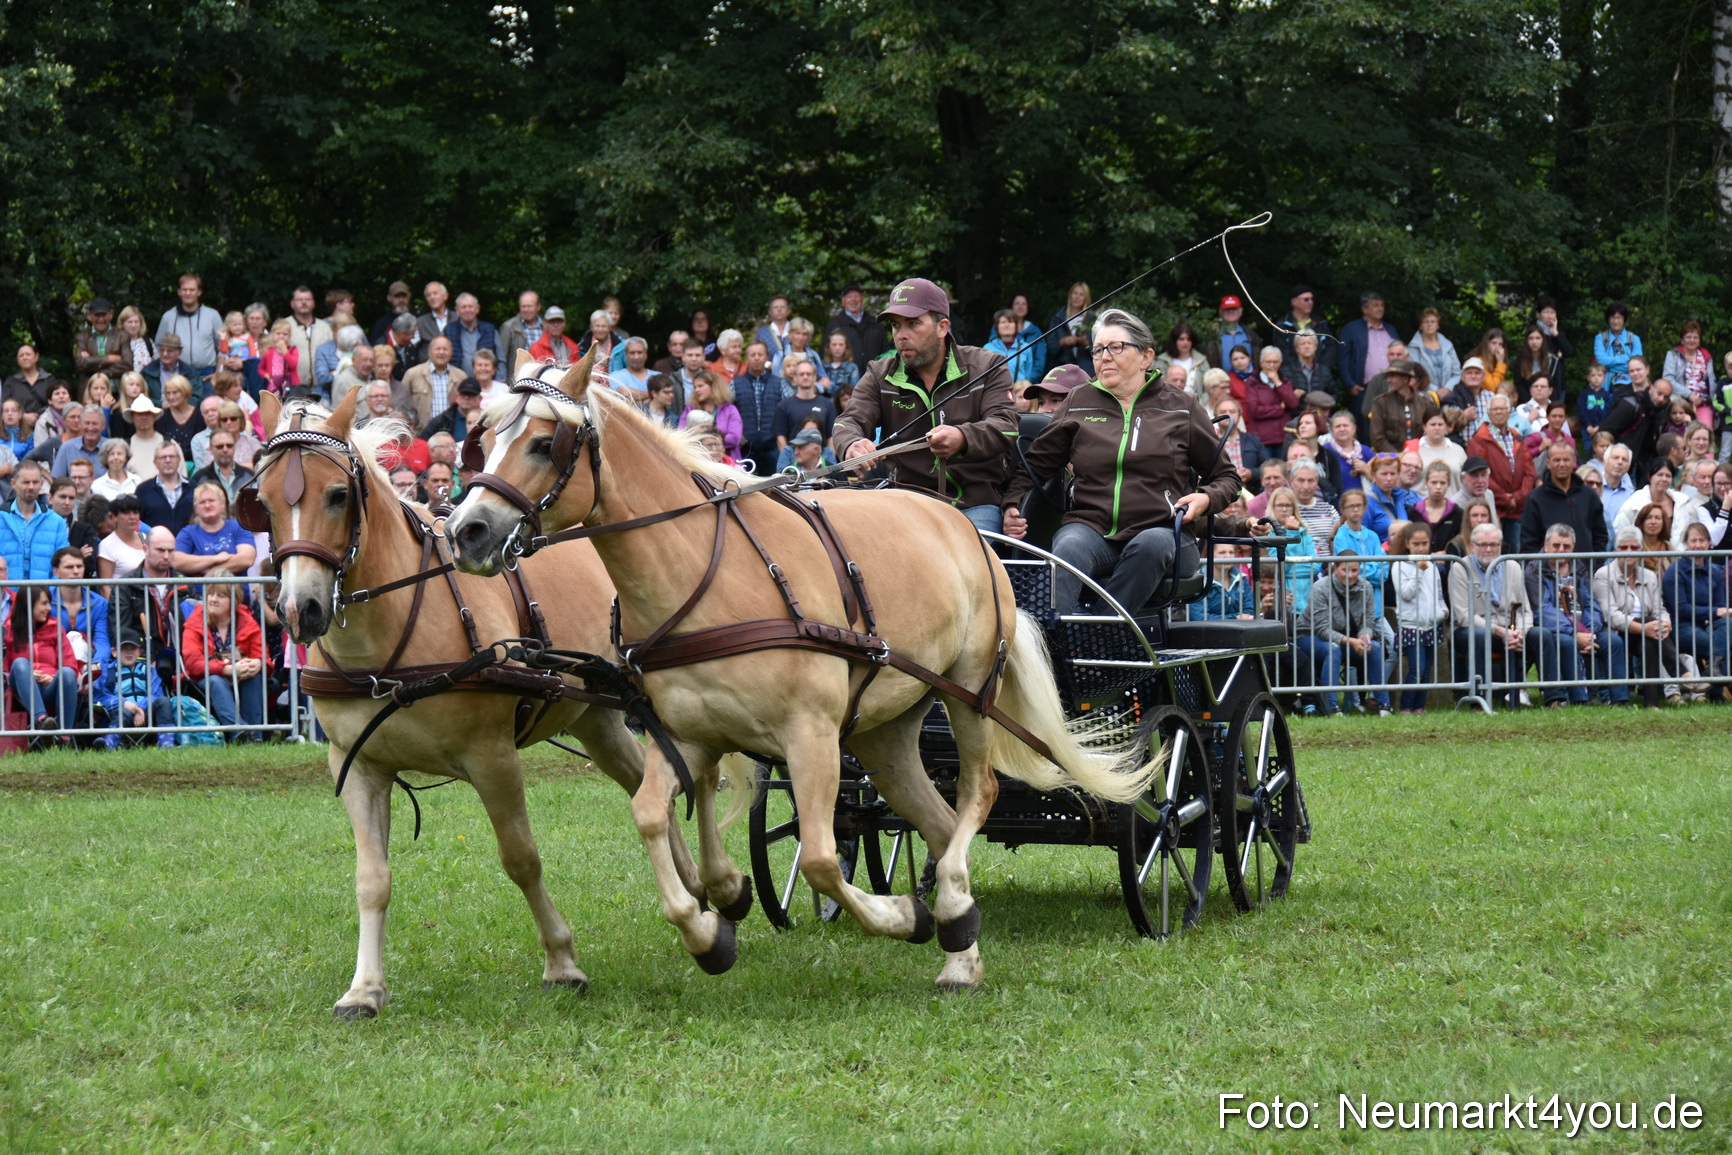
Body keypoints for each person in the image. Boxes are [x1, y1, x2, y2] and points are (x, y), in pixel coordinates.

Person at [1002, 306, 1244, 609]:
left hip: (1167, 532)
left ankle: (1103, 635)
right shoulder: (1078, 402)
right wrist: (1012, 503)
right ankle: (1052, 646)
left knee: (1151, 544)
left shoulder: (1181, 406)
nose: (1105, 356)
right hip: (1091, 529)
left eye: (1116, 347)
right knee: (1068, 546)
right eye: (1098, 349)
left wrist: (1205, 499)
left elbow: (1228, 479)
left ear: (1146, 357)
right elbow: (1035, 466)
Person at [1449, 523, 1560, 708]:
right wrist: (1499, 631)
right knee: (1479, 635)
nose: (1489, 549)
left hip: (1509, 629)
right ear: (1473, 545)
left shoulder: (1513, 566)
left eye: (1494, 544)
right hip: (1472, 629)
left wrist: (1520, 633)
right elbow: (1464, 615)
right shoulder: (1461, 568)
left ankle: (1554, 698)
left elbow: (1525, 609)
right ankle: (1480, 700)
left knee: (1542, 635)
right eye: (1483, 544)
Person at [1525, 523, 1630, 706]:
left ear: (1573, 547)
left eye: (1566, 546)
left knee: (1613, 642)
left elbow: (1591, 604)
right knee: (1566, 642)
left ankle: (1619, 699)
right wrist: (1574, 633)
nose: (1561, 551)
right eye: (1556, 546)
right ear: (1546, 545)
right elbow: (1542, 609)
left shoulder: (1579, 567)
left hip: (1585, 628)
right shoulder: (1534, 570)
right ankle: (1580, 698)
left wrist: (1590, 632)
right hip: (1557, 629)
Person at [1595, 527, 1683, 708]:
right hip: (1618, 634)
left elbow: (1660, 609)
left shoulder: (1649, 576)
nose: (1629, 552)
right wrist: (1645, 628)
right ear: (1616, 550)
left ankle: (1652, 704)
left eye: (1634, 548)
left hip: (1648, 634)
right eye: (1624, 547)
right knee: (1650, 627)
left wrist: (1665, 623)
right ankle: (1681, 671)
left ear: (1641, 551)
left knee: (1650, 641)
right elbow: (1610, 615)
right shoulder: (1603, 575)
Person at [1295, 553, 1391, 717]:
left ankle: (1384, 706)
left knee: (1374, 647)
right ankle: (1332, 708)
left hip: (1346, 638)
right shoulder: (1320, 588)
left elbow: (1368, 622)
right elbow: (1322, 629)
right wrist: (1352, 641)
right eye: (1345, 570)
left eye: (1355, 570)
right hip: (1310, 636)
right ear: (1335, 569)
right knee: (1332, 650)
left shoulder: (1366, 587)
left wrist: (1364, 638)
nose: (1351, 575)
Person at [181, 570, 267, 741]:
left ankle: (255, 737)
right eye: (210, 594)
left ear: (233, 600)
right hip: (205, 677)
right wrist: (228, 669)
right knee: (216, 681)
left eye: (220, 595)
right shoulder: (195, 621)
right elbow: (193, 664)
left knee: (255, 676)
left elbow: (262, 654)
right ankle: (240, 732)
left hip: (240, 674)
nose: (213, 599)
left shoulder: (246, 620)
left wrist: (258, 663)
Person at [7, 584, 82, 736]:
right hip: (21, 689)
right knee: (20, 663)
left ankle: (64, 737)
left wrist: (52, 678)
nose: (49, 608)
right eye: (44, 603)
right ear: (28, 605)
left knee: (67, 673)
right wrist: (28, 674)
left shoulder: (55, 628)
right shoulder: (8, 630)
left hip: (50, 689)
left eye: (49, 603)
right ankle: (42, 721)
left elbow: (70, 664)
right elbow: (4, 670)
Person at [1660, 521, 1730, 681]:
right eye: (1694, 541)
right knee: (1717, 644)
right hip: (1682, 625)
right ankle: (1717, 691)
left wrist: (1716, 613)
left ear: (1709, 543)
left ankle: (1712, 672)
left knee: (1728, 626)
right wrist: (1714, 612)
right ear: (1686, 543)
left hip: (1708, 623)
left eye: (1702, 540)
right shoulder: (1675, 571)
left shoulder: (1714, 571)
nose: (1698, 545)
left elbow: (1720, 606)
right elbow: (1681, 608)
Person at [1466, 394, 1535, 549]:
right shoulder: (1479, 440)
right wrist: (1505, 499)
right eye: (1495, 409)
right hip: (1492, 509)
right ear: (1488, 413)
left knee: (1514, 557)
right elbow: (1481, 476)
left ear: (1510, 412)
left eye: (1502, 409)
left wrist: (1517, 498)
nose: (1499, 412)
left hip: (1517, 510)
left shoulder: (1517, 437)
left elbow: (1529, 471)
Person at [1392, 524, 1447, 713]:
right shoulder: (1399, 565)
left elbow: (1439, 594)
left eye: (1424, 543)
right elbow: (1406, 594)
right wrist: (1419, 571)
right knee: (1416, 670)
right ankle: (1406, 706)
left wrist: (1443, 610)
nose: (1421, 548)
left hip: (1431, 625)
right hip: (1411, 625)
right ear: (1407, 544)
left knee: (1425, 671)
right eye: (1416, 544)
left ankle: (1419, 706)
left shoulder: (1433, 567)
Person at [1517, 441, 1606, 556]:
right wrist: (1539, 568)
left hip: (1585, 571)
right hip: (1546, 572)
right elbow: (1528, 540)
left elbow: (1600, 535)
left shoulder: (1589, 495)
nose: (1562, 464)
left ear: (1574, 461)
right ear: (1548, 463)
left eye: (1566, 460)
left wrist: (1594, 564)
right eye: (1556, 460)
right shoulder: (1535, 498)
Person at [48, 544, 110, 685]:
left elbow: (102, 640)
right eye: (69, 567)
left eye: (79, 566)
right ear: (56, 571)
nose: (76, 572)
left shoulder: (100, 603)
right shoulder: (45, 599)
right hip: (53, 662)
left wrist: (95, 666)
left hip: (89, 661)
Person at [0, 460, 69, 581]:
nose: (31, 487)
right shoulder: (1, 518)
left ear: (42, 484)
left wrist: (49, 595)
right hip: (7, 597)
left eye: (35, 482)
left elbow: (63, 563)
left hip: (46, 597)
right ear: (13, 483)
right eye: (26, 482)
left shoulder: (57, 522)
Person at [172, 483, 258, 580]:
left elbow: (246, 559)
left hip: (237, 594)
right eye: (202, 502)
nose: (207, 505)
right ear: (196, 508)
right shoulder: (188, 533)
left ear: (222, 503)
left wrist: (208, 570)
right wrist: (216, 558)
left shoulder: (238, 527)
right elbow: (177, 561)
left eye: (211, 501)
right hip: (201, 594)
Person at [155, 273, 224, 382]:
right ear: (179, 292)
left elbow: (223, 347)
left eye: (192, 290)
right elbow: (158, 348)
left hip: (206, 375)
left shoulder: (212, 316)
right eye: (184, 290)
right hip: (176, 375)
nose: (188, 293)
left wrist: (218, 373)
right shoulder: (168, 317)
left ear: (199, 292)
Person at [1262, 486, 1318, 615]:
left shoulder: (1304, 533)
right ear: (1272, 507)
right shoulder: (1267, 535)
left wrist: (1290, 569)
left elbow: (1314, 566)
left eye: (1288, 505)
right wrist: (1291, 534)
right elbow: (1281, 567)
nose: (1284, 509)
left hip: (1306, 602)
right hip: (1282, 603)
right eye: (1280, 505)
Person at [1367, 360, 1439, 452]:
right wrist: (1399, 457)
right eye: (1388, 376)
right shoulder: (1381, 403)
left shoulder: (1425, 403)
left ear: (1405, 379)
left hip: (1421, 456)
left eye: (1392, 376)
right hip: (1390, 459)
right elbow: (1377, 438)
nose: (1388, 380)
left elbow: (1431, 432)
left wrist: (1418, 455)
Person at [400, 335, 466, 432]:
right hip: (421, 433)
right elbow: (402, 405)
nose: (441, 352)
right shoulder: (413, 374)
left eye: (445, 349)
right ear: (429, 351)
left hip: (451, 434)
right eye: (438, 349)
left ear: (451, 352)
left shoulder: (460, 376)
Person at [772, 361, 835, 454]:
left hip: (822, 464)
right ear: (795, 378)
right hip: (793, 464)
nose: (805, 377)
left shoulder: (827, 404)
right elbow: (780, 438)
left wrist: (828, 461)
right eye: (801, 374)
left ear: (815, 377)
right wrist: (791, 463)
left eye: (808, 374)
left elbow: (832, 437)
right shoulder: (784, 405)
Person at [136, 443, 193, 536]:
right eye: (163, 457)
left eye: (172, 457)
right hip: (154, 547)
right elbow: (137, 523)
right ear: (155, 463)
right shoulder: (143, 490)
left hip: (188, 548)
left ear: (179, 460)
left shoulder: (194, 488)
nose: (168, 460)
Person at [1269, 284, 1335, 362]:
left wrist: (1322, 370)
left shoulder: (1321, 323)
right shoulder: (1282, 325)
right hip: (1291, 373)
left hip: (1320, 372)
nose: (1311, 302)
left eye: (1312, 299)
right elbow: (1282, 352)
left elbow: (1330, 348)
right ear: (1294, 302)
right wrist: (1296, 372)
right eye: (1306, 299)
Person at [985, 309, 1043, 388]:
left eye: (1010, 322)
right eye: (1003, 322)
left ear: (1016, 326)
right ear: (996, 326)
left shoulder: (1026, 348)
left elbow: (1027, 376)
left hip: (1018, 394)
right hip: (995, 393)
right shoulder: (987, 348)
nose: (1007, 325)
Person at [97, 494, 147, 580]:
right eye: (126, 513)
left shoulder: (146, 538)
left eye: (135, 512)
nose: (132, 517)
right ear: (114, 517)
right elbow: (105, 586)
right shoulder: (107, 545)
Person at [1592, 302, 1642, 388]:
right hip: (1602, 384)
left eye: (1619, 318)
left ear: (1624, 320)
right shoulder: (1600, 338)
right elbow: (1601, 361)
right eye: (1612, 317)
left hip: (1628, 383)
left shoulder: (1634, 339)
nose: (1615, 321)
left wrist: (1609, 367)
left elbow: (1637, 365)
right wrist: (1625, 358)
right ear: (1608, 319)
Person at [1281, 329, 1336, 403]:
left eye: (1309, 343)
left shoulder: (1324, 371)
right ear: (1297, 348)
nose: (1307, 346)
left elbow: (1335, 396)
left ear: (1315, 347)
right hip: (1296, 413)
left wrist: (1322, 400)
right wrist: (1292, 395)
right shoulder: (1286, 371)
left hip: (1319, 413)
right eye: (1303, 344)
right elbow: (1280, 397)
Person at [51, 405, 107, 477]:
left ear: (103, 426)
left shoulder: (111, 449)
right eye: (87, 423)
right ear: (80, 424)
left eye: (94, 423)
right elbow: (57, 480)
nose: (90, 428)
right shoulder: (67, 448)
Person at [497, 290, 544, 372]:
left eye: (529, 306)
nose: (526, 310)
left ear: (538, 307)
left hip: (543, 378)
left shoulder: (546, 327)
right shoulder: (509, 327)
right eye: (523, 306)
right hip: (518, 379)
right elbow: (501, 359)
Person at [155, 375, 200, 458]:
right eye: (168, 393)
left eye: (175, 393)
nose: (171, 397)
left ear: (185, 392)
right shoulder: (162, 416)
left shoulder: (199, 415)